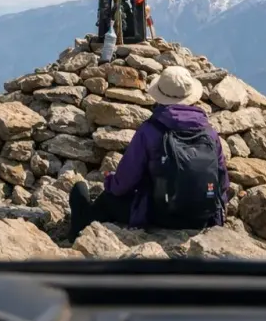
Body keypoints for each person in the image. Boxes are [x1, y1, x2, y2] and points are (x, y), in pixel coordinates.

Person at [68, 65, 230, 238]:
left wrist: (109, 183)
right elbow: (222, 180)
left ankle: (79, 226)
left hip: (162, 215)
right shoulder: (209, 132)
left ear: (160, 96)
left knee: (100, 198)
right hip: (202, 218)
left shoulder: (150, 130)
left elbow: (124, 182)